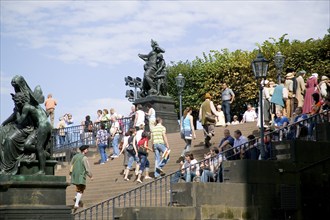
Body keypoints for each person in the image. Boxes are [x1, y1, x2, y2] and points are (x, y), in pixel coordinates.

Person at [70, 145, 93, 212]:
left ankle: (76, 198)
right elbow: (87, 169)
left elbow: (71, 164)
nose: (87, 150)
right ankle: (76, 204)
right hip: (81, 176)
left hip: (75, 175)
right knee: (81, 189)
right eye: (87, 149)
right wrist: (90, 176)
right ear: (84, 150)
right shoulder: (84, 158)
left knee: (78, 188)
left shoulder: (75, 156)